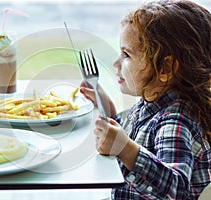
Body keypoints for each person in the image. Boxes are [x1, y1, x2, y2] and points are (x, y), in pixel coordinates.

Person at [80, 0, 211, 199]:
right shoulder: (153, 103)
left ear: (165, 69)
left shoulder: (176, 122)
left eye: (126, 55)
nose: (116, 63)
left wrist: (126, 149)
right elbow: (137, 138)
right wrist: (108, 109)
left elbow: (177, 191)